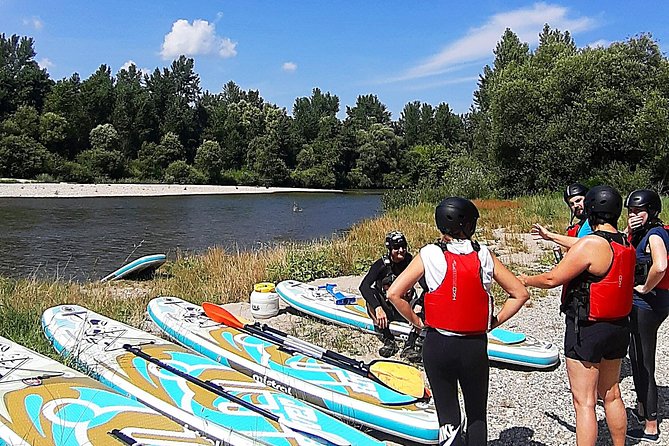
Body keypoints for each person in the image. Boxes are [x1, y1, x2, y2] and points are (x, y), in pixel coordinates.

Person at [387, 197, 529, 445]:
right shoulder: (484, 254)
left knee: (448, 417)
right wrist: (492, 323)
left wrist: (419, 323)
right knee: (477, 415)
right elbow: (520, 294)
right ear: (469, 225)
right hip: (473, 346)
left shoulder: (429, 253)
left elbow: (394, 294)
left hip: (438, 344)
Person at [520, 185, 635, 446]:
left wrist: (525, 279)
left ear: (591, 210)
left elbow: (551, 279)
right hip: (618, 327)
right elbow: (582, 244)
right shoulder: (623, 241)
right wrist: (551, 237)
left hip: (588, 328)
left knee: (584, 402)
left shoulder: (592, 245)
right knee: (612, 394)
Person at [624, 189, 668, 443]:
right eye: (630, 211)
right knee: (637, 354)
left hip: (647, 304)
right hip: (648, 303)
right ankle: (642, 409)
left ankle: (651, 425)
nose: (633, 215)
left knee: (643, 361)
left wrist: (645, 287)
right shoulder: (643, 232)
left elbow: (660, 265)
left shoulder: (655, 234)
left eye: (638, 211)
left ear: (651, 211)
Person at [359, 231, 427, 359]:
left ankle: (410, 345)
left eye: (403, 246)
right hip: (387, 309)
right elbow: (364, 287)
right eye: (396, 248)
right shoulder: (381, 265)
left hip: (405, 307)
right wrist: (378, 307)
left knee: (425, 302)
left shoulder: (411, 264)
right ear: (389, 249)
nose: (401, 250)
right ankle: (388, 340)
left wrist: (419, 304)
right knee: (371, 298)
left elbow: (427, 287)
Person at [532, 183, 593, 257]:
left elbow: (584, 244)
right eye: (571, 204)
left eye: (578, 200)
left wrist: (549, 235)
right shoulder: (581, 224)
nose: (575, 206)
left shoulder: (594, 222)